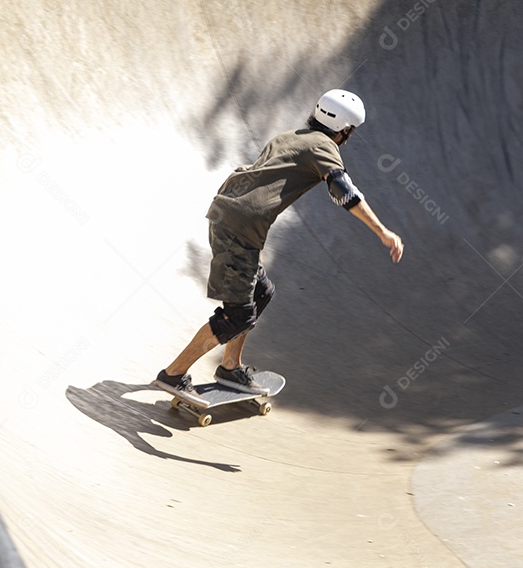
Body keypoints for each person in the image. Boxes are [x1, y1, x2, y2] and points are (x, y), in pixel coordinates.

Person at [154, 89, 404, 396]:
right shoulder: (324, 145)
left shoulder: (289, 136)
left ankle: (230, 367)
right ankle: (173, 374)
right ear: (345, 130)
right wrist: (382, 231)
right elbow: (343, 190)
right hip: (240, 227)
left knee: (262, 291)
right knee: (238, 315)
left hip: (229, 215)